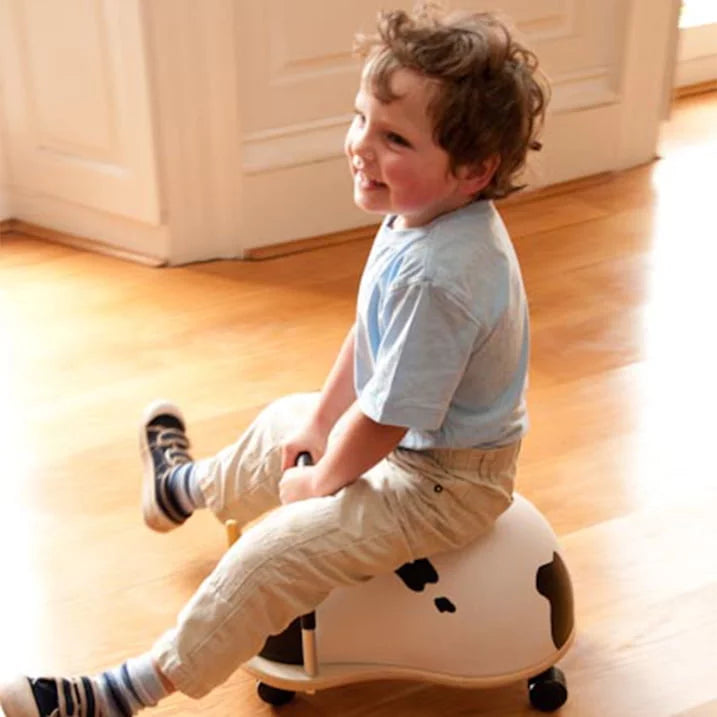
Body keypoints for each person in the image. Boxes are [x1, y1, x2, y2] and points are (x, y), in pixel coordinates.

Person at [0, 5, 548, 715]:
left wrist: (321, 482)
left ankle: (127, 690)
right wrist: (318, 423)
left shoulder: (441, 274)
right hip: (415, 449)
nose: (360, 147)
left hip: (447, 485)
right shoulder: (421, 214)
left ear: (473, 170)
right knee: (283, 421)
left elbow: (384, 417)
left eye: (393, 138)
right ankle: (184, 488)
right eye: (360, 120)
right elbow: (371, 336)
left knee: (277, 551)